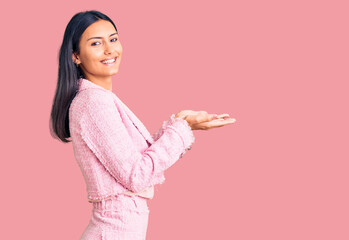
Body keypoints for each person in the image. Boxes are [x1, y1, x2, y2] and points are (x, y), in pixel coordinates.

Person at [49, 10, 236, 239]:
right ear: (76, 56)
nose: (110, 50)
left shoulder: (99, 99)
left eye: (113, 39)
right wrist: (179, 130)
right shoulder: (93, 102)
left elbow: (136, 160)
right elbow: (136, 175)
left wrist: (183, 123)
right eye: (96, 43)